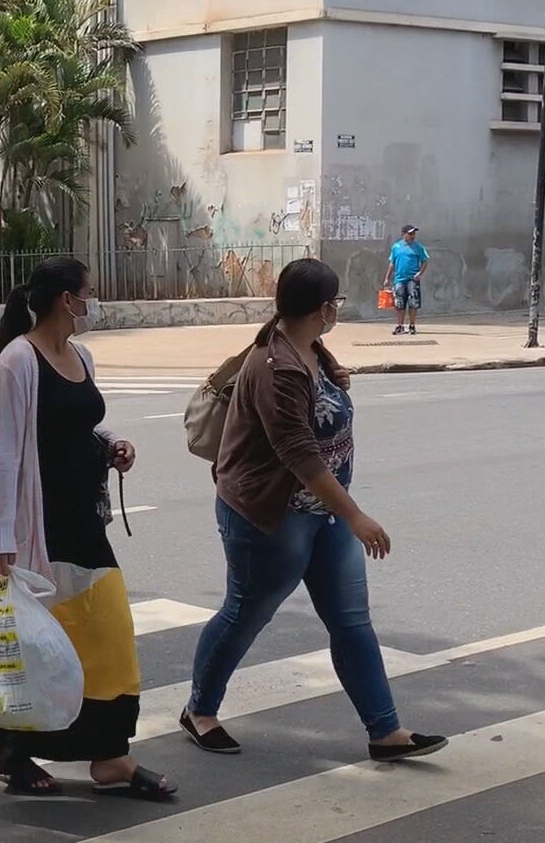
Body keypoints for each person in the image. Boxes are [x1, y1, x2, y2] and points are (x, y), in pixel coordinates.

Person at [181, 258, 447, 764]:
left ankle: (385, 731)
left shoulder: (309, 348)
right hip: (272, 515)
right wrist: (356, 516)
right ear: (326, 308)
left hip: (322, 512)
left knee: (351, 621)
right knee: (245, 613)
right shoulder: (275, 365)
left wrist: (333, 380)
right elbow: (297, 454)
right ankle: (199, 710)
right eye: (337, 302)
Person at [0, 257, 175, 801]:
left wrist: (110, 445)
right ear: (67, 299)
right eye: (89, 292)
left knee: (107, 636)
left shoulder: (79, 355)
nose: (93, 301)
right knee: (38, 647)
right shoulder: (18, 361)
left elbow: (77, 423)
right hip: (39, 528)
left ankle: (109, 757)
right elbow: (4, 456)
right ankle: (14, 753)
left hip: (84, 518)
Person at [387, 225, 428, 335]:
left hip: (412, 279)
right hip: (399, 279)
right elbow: (392, 263)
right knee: (399, 303)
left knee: (413, 303)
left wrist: (420, 273)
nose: (412, 236)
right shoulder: (396, 247)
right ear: (403, 234)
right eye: (410, 234)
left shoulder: (419, 247)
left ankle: (412, 325)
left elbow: (425, 261)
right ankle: (400, 326)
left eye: (414, 234)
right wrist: (387, 278)